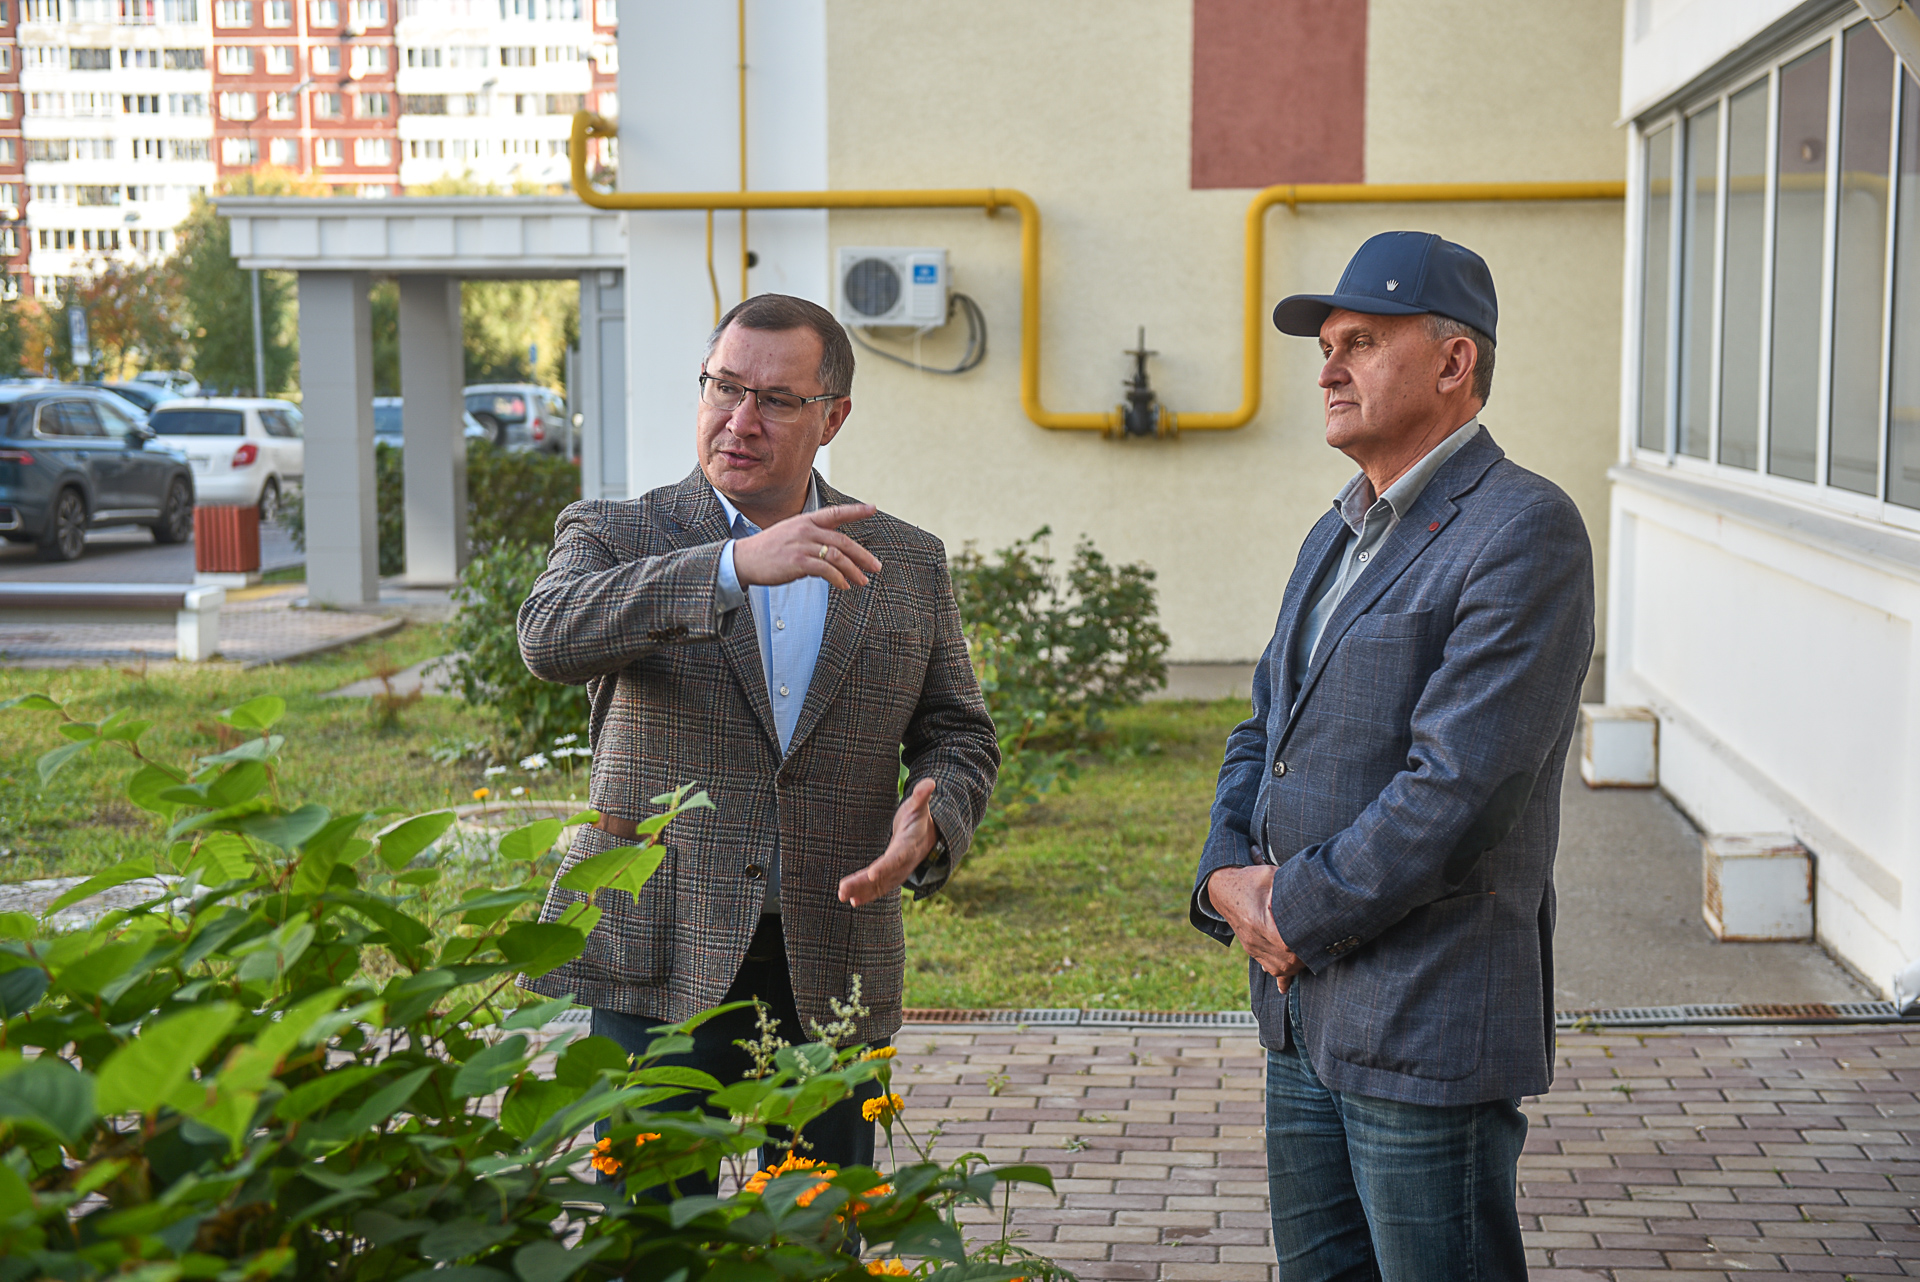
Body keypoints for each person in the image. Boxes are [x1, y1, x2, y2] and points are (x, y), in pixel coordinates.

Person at [517, 292, 999, 1189]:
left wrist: (934, 820)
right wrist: (731, 566)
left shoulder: (905, 560)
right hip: (661, 944)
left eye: (776, 400)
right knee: (654, 1228)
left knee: (819, 1226)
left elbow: (959, 732)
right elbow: (547, 635)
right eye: (724, 388)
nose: (741, 420)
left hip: (833, 950)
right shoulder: (618, 532)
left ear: (833, 418)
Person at [1191, 231, 1595, 1280]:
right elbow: (1262, 729)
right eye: (1326, 346)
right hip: (1301, 1019)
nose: (1328, 369)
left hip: (1425, 1019)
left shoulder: (1523, 529)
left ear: (1455, 361)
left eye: (1361, 343)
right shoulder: (1336, 530)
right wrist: (1223, 871)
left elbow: (1462, 792)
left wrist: (1288, 913)